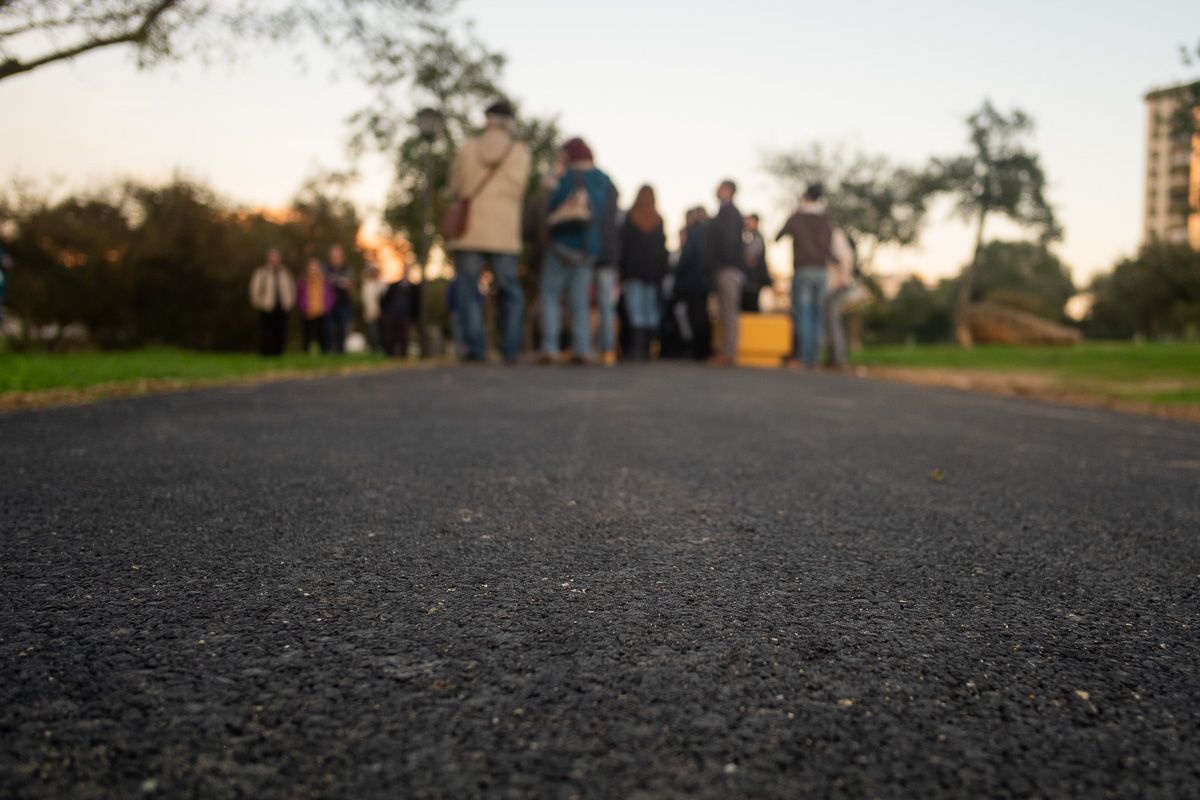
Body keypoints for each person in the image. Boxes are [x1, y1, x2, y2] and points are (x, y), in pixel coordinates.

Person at [447, 100, 532, 363]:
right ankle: (510, 348)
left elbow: (456, 186)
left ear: (487, 120)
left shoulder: (468, 149)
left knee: (468, 289)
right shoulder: (520, 152)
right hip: (504, 231)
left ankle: (476, 347)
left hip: (470, 229)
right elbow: (520, 190)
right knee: (509, 289)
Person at [539, 137, 615, 365]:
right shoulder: (604, 179)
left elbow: (553, 203)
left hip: (563, 244)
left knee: (550, 295)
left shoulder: (570, 176)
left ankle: (550, 347)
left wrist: (555, 175)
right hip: (589, 248)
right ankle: (582, 348)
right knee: (580, 300)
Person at [776, 183, 835, 369]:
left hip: (803, 269)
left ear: (806, 195)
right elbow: (830, 241)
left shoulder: (797, 216)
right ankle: (815, 357)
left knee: (803, 314)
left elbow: (778, 235)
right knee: (818, 315)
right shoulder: (826, 218)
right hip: (821, 269)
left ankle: (803, 357)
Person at [619, 185, 668, 361]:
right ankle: (649, 349)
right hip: (652, 274)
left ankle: (637, 348)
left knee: (636, 310)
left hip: (633, 271)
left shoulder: (630, 218)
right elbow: (663, 251)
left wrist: (621, 269)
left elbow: (623, 246)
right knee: (650, 311)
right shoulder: (658, 220)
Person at [707, 180, 745, 365]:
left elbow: (726, 241)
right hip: (726, 267)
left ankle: (729, 352)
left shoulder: (729, 212)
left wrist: (720, 263)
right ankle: (726, 351)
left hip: (728, 268)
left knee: (729, 311)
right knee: (725, 312)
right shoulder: (727, 212)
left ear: (728, 190)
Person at [674, 207, 712, 361]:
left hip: (693, 281)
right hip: (704, 281)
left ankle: (697, 350)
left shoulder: (694, 232)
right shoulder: (710, 233)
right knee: (702, 315)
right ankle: (703, 349)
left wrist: (679, 272)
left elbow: (687, 257)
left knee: (695, 316)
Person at [593, 174, 621, 365]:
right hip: (609, 259)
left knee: (584, 303)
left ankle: (586, 346)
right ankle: (608, 348)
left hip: (590, 255)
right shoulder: (616, 214)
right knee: (606, 304)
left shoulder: (595, 206)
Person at [248, 247, 296, 356]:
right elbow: (254, 289)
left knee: (281, 330)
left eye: (276, 258)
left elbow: (292, 288)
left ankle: (279, 352)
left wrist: (289, 303)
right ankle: (266, 353)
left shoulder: (285, 272)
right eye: (272, 258)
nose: (274, 260)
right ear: (268, 259)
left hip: (282, 306)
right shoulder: (261, 272)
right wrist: (258, 303)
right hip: (267, 306)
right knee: (267, 331)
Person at [824, 227, 857, 368]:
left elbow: (846, 258)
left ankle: (839, 359)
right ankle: (834, 357)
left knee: (833, 321)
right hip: (831, 285)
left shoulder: (834, 235)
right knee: (829, 322)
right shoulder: (829, 234)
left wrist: (843, 280)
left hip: (837, 285)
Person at [380, 266, 420, 357]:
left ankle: (403, 354)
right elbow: (385, 300)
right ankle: (390, 354)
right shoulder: (393, 285)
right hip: (392, 314)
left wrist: (414, 317)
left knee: (404, 336)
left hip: (406, 315)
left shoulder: (414, 287)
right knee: (390, 335)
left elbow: (416, 303)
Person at [296, 257, 334, 354]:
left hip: (322, 312)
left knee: (323, 335)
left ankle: (324, 353)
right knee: (307, 336)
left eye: (315, 268)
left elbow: (330, 296)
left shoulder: (325, 282)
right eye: (311, 269)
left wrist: (327, 308)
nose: (313, 271)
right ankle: (306, 354)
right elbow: (299, 297)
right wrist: (303, 308)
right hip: (308, 313)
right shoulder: (303, 283)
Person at [325, 244, 354, 354]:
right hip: (329, 304)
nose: (335, 258)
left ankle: (341, 351)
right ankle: (330, 350)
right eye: (333, 256)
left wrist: (335, 281)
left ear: (342, 257)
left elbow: (349, 284)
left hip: (343, 304)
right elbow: (326, 282)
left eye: (337, 256)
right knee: (329, 329)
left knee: (342, 328)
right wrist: (340, 281)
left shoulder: (347, 268)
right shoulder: (326, 268)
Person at [741, 214, 771, 312]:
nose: (747, 224)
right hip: (751, 281)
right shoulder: (752, 237)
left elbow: (750, 257)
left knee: (751, 308)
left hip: (752, 282)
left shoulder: (757, 238)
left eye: (750, 221)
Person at [361, 263, 384, 353]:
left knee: (379, 333)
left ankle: (378, 349)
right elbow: (368, 301)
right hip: (372, 315)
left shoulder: (380, 284)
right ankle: (373, 349)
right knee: (373, 333)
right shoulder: (367, 285)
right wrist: (374, 312)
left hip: (381, 315)